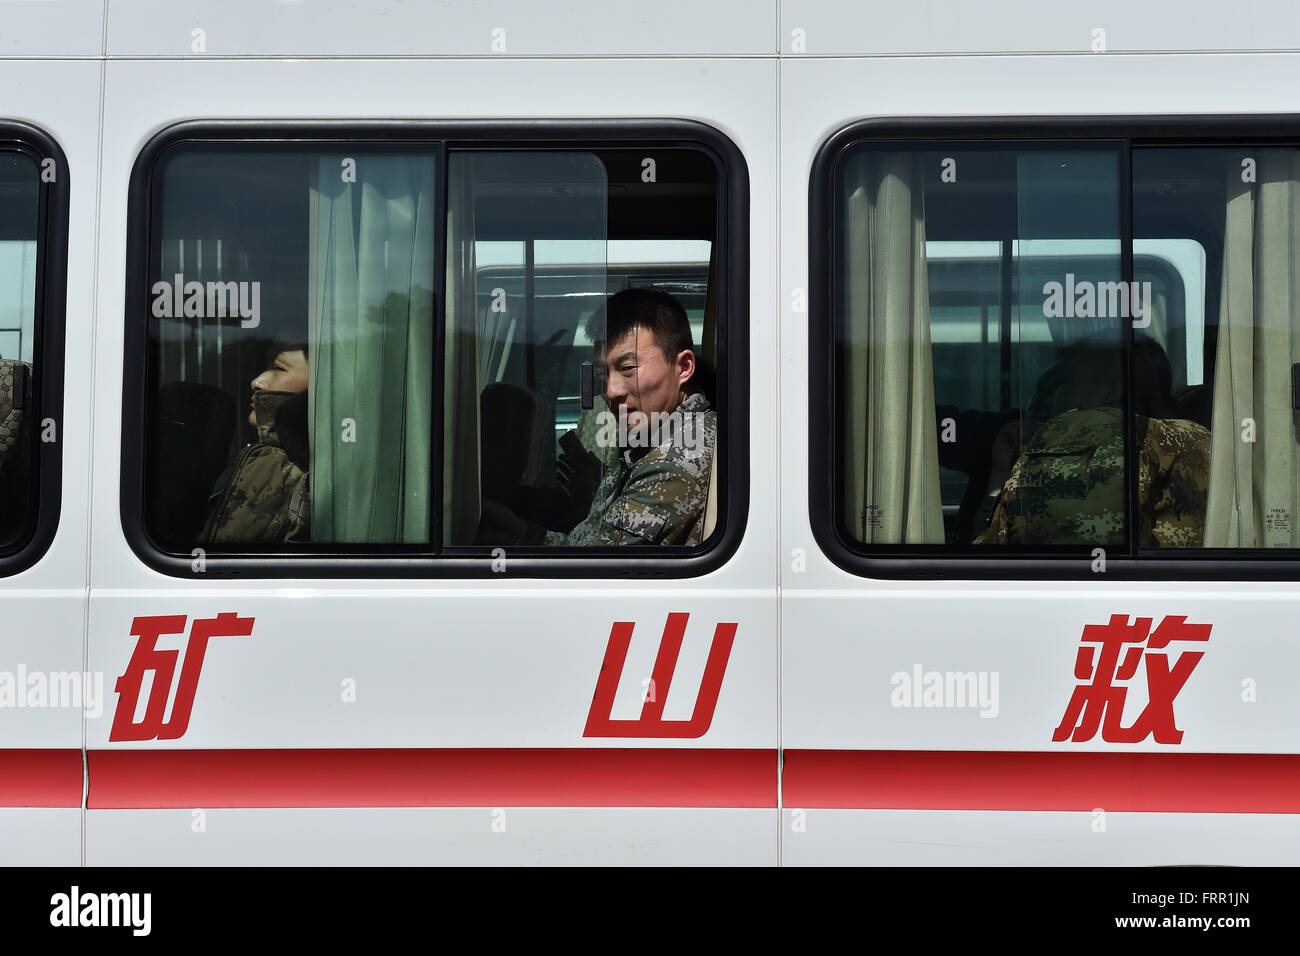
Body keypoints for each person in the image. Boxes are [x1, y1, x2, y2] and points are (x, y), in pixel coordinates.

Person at [482, 288, 717, 546]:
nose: (611, 391)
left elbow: (596, 568)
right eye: (603, 374)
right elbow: (591, 544)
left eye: (628, 369)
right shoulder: (651, 439)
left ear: (683, 367)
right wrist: (524, 533)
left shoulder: (675, 460)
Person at [974, 337, 1210, 547]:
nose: (1054, 398)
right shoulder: (1198, 439)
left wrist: (999, 477)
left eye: (1067, 383)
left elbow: (984, 558)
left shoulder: (1079, 445)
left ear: (1112, 390)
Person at [200, 341, 311, 544]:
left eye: (279, 368)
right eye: (267, 365)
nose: (257, 382)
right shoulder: (261, 457)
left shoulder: (302, 473)